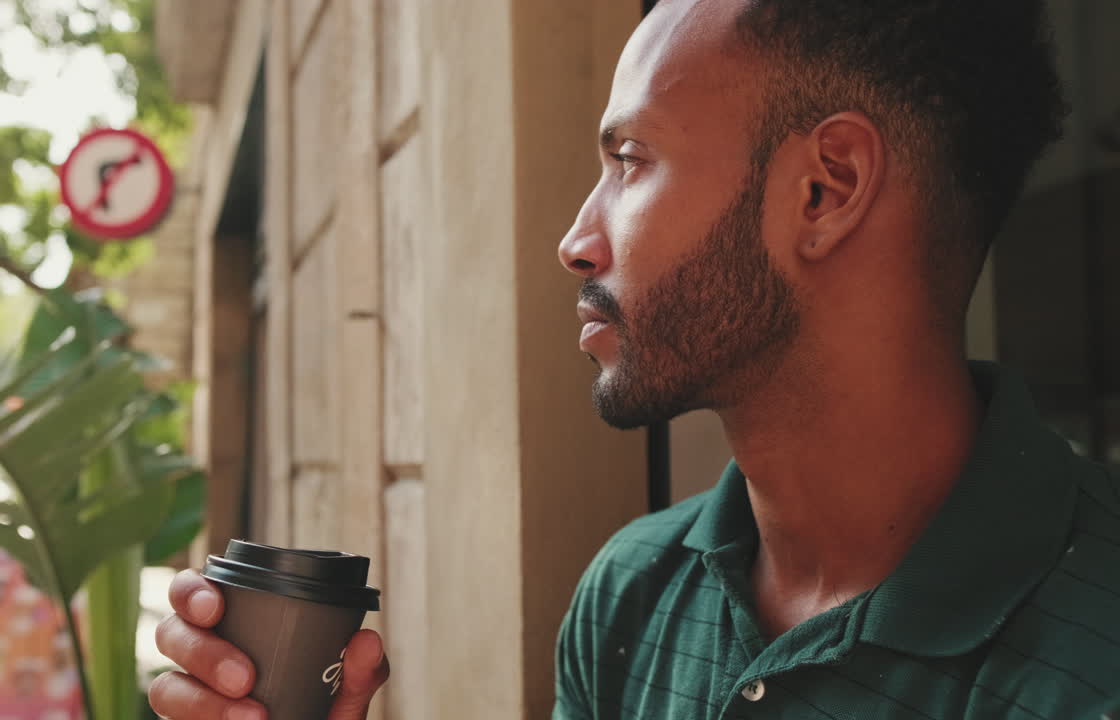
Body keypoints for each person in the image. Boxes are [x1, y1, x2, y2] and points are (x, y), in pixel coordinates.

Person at [149, 0, 1120, 718]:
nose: (575, 239)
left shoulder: (1092, 646)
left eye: (629, 161)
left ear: (824, 189)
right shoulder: (633, 589)